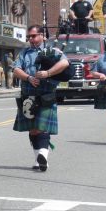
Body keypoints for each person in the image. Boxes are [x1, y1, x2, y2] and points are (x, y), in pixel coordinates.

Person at [12, 24, 69, 171]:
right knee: (33, 129)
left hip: (46, 94)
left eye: (33, 36)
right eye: (29, 36)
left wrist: (48, 73)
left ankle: (43, 154)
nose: (31, 39)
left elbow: (64, 63)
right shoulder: (24, 53)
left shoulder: (52, 50)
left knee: (42, 128)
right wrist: (29, 77)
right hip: (28, 94)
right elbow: (16, 69)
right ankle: (39, 160)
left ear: (42, 36)